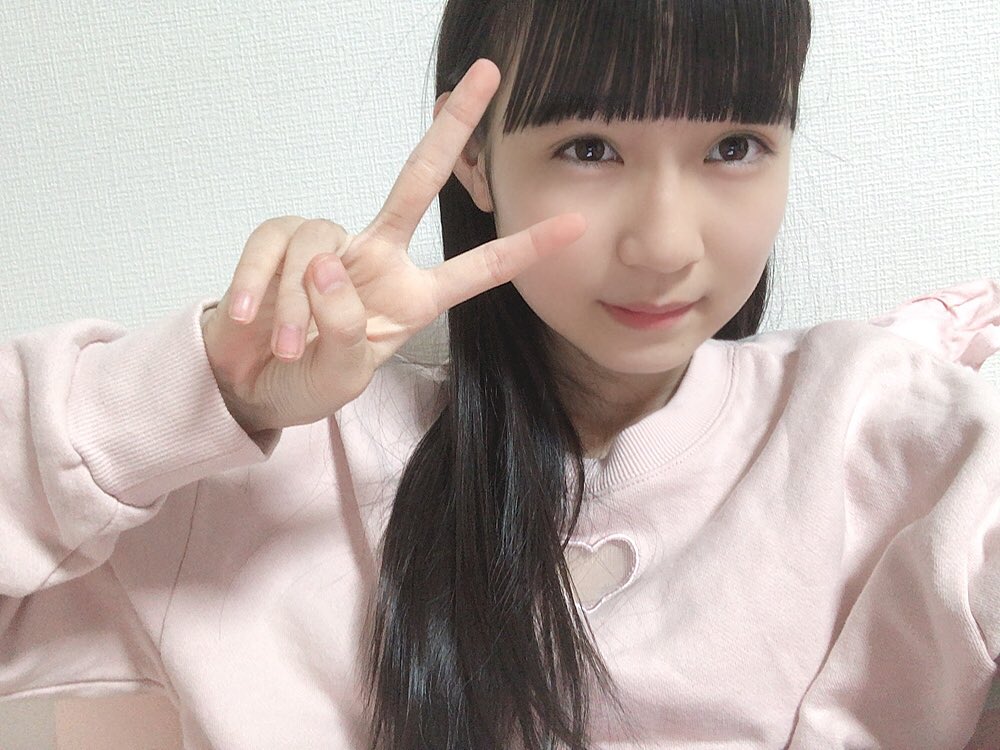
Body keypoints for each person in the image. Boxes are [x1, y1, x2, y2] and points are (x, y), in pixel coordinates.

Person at [2, 0, 1000, 748]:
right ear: (474, 158)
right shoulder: (280, 469)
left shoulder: (888, 432)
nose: (664, 245)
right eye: (590, 147)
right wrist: (199, 394)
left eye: (733, 146)